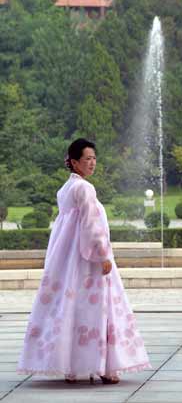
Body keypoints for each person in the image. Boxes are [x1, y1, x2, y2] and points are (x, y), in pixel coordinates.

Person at [17, 138, 151, 384]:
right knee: (97, 308)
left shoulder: (65, 189)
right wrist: (102, 254)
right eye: (87, 159)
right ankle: (103, 367)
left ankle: (71, 366)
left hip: (68, 260)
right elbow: (92, 226)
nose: (92, 163)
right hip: (87, 259)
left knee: (70, 307)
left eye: (94, 158)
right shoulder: (85, 189)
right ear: (74, 162)